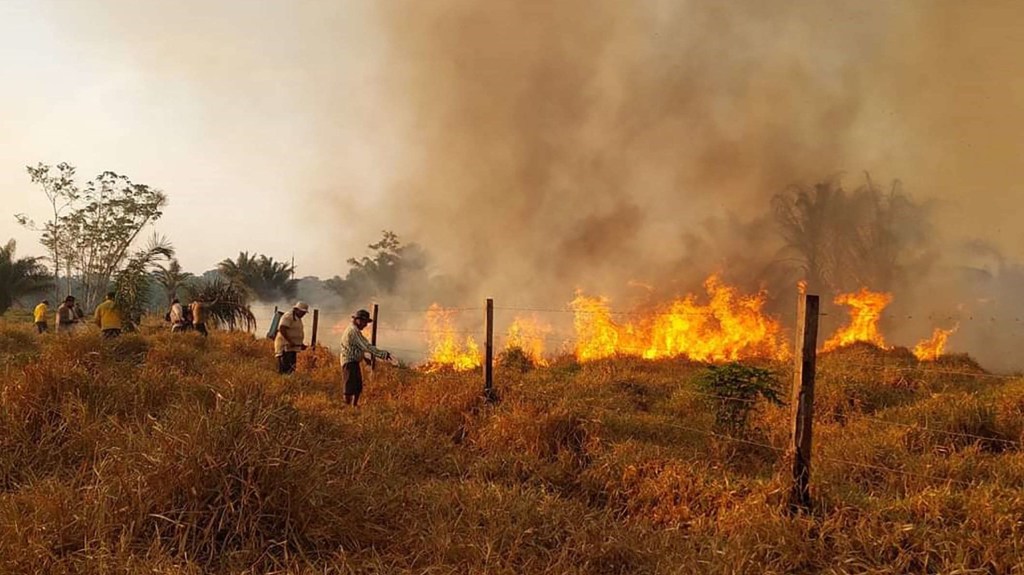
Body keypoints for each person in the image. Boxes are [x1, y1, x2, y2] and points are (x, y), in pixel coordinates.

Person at [339, 308, 392, 407]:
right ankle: (347, 407)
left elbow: (356, 347)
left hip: (353, 361)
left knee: (357, 385)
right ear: (358, 320)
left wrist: (363, 358)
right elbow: (366, 346)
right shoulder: (353, 331)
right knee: (349, 385)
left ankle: (354, 405)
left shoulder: (355, 330)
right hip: (349, 361)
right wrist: (382, 354)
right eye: (364, 322)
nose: (366, 325)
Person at [274, 301, 309, 374]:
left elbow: (295, 332)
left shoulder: (297, 318)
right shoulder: (288, 316)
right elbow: (282, 329)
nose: (303, 314)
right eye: (302, 312)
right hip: (285, 346)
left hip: (292, 347)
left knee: (291, 368)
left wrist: (300, 344)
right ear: (296, 309)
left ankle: (289, 383)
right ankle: (283, 383)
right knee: (285, 368)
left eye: (304, 313)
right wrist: (290, 341)